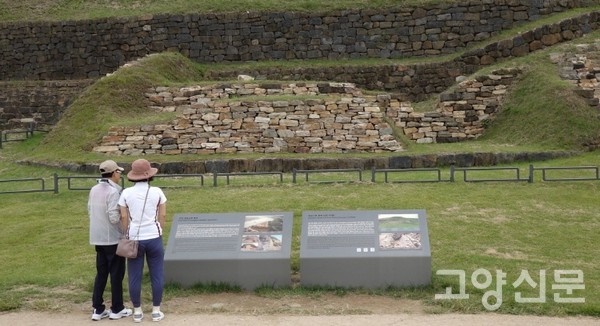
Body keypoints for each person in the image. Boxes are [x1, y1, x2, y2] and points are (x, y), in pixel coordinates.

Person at [118, 159, 167, 322]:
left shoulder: (126, 193)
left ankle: (137, 311)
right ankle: (156, 310)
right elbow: (163, 214)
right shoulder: (157, 192)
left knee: (134, 275)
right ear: (149, 175)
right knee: (157, 274)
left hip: (135, 238)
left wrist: (126, 232)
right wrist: (160, 228)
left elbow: (124, 216)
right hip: (154, 236)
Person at [88, 160, 133, 321]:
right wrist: (125, 228)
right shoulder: (114, 192)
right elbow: (114, 217)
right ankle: (117, 308)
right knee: (116, 273)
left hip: (97, 237)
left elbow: (89, 210)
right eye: (119, 172)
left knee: (101, 273)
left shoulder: (94, 189)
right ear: (114, 173)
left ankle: (98, 308)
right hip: (112, 238)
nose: (119, 175)